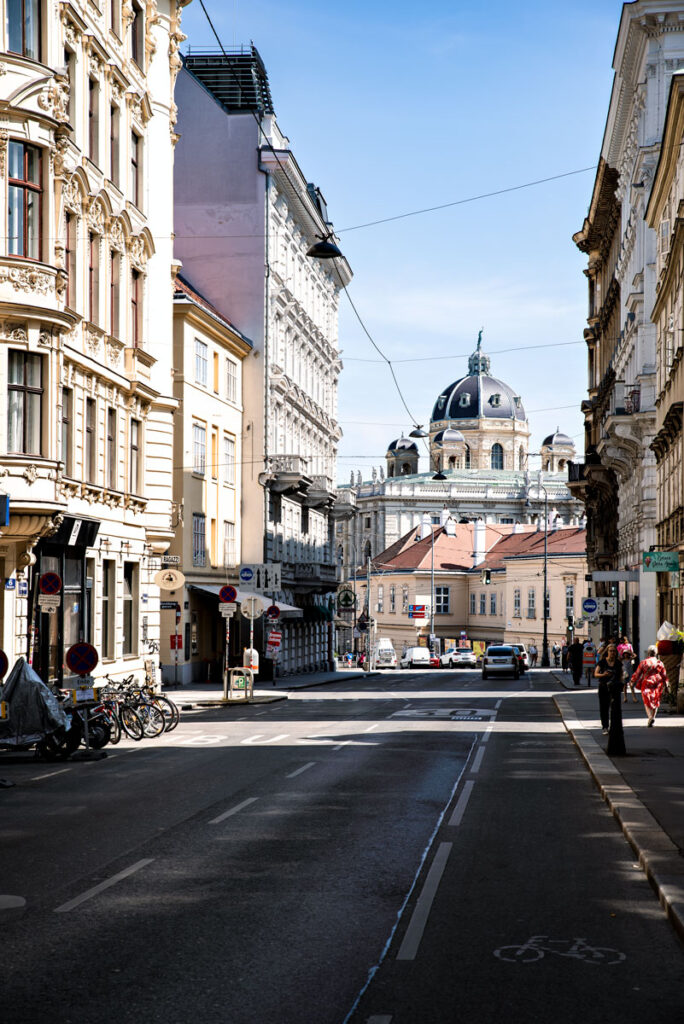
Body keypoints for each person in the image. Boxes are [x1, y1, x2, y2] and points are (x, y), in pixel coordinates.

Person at [594, 642, 625, 753]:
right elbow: (596, 674)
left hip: (615, 688)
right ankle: (605, 726)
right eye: (610, 651)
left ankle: (613, 727)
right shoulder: (602, 662)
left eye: (614, 651)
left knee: (615, 708)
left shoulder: (617, 663)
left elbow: (621, 674)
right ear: (607, 652)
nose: (612, 653)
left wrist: (622, 682)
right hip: (603, 687)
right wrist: (604, 675)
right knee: (604, 707)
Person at [631, 645, 669, 727]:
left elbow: (637, 673)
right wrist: (666, 686)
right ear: (656, 653)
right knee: (656, 699)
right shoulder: (660, 663)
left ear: (648, 653)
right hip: (658, 683)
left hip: (647, 682)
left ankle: (650, 717)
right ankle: (653, 717)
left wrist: (632, 681)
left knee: (647, 700)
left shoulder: (644, 662)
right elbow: (664, 675)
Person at [617, 636, 637, 702]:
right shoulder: (622, 659)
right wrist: (621, 651)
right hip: (624, 672)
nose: (625, 655)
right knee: (625, 685)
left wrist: (630, 652)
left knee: (631, 685)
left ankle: (634, 697)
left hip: (630, 672)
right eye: (624, 654)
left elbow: (634, 655)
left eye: (626, 654)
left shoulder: (630, 659)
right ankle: (625, 698)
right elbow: (618, 656)